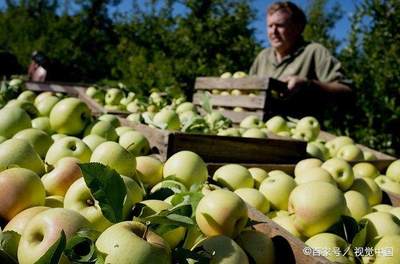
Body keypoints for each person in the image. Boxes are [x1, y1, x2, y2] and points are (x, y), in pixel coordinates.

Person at [249, 1, 352, 118]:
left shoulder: (314, 52)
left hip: (299, 132)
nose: (273, 31)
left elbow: (346, 92)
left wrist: (308, 85)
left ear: (297, 28)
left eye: (280, 25)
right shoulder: (262, 57)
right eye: (270, 26)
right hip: (260, 132)